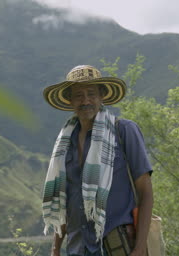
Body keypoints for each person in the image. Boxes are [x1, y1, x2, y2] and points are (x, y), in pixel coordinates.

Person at [42, 65, 153, 256]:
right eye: (78, 95)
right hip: (78, 247)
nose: (86, 100)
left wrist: (140, 247)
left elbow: (145, 192)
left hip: (117, 244)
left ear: (102, 96)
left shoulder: (124, 131)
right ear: (70, 100)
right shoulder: (65, 143)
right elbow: (63, 200)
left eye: (91, 93)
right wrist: (55, 249)